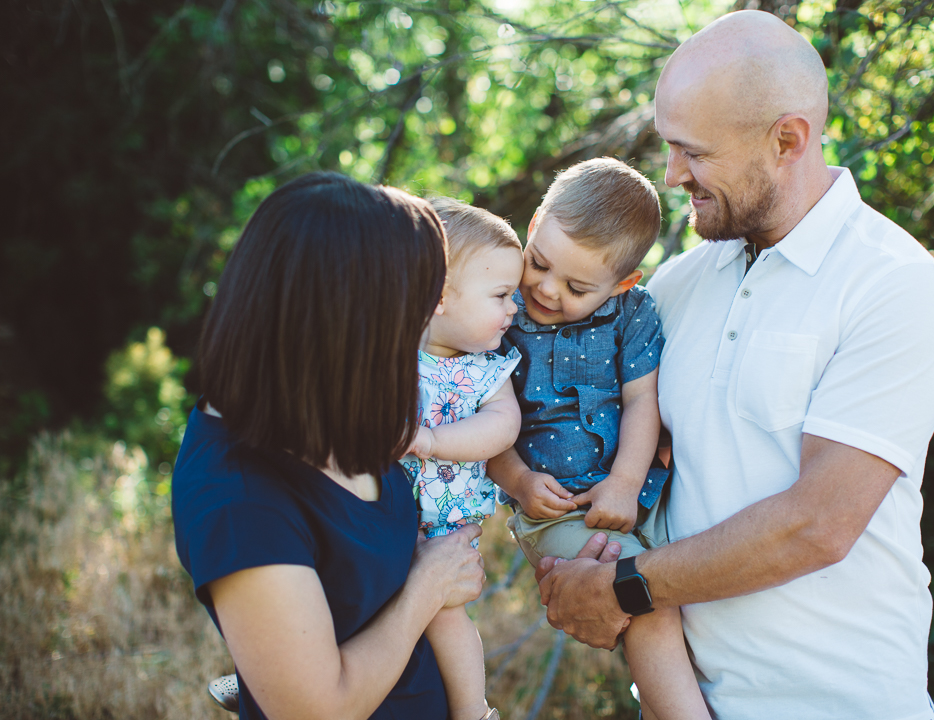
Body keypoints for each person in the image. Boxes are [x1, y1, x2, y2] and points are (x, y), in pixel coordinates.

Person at [534, 11, 934, 720]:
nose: (671, 175)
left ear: (788, 140)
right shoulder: (671, 289)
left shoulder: (892, 284)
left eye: (692, 151)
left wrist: (625, 588)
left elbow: (818, 523)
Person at [172, 173, 489, 720]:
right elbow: (321, 710)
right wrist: (428, 588)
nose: (423, 334)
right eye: (414, 314)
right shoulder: (239, 501)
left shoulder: (342, 408)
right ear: (351, 327)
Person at [487, 157, 710, 720]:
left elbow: (642, 403)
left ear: (623, 282)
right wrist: (516, 479)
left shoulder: (632, 315)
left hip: (637, 495)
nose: (546, 288)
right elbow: (483, 411)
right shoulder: (498, 311)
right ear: (533, 225)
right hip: (556, 509)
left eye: (577, 286)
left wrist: (625, 483)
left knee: (686, 613)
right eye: (538, 263)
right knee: (642, 603)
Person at [398, 198, 524, 720]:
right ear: (440, 297)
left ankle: (473, 711)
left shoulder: (486, 371)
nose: (514, 308)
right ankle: (269, 678)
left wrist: (431, 441)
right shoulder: (391, 353)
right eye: (500, 295)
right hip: (381, 516)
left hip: (444, 525)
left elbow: (501, 428)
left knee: (447, 618)